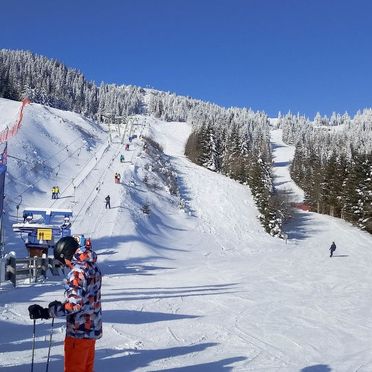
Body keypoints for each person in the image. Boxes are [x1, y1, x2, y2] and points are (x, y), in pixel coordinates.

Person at [28, 236, 102, 372]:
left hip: (78, 333)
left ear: (66, 254)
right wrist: (63, 304)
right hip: (91, 330)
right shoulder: (92, 267)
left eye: (63, 260)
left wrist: (48, 312)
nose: (66, 264)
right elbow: (85, 298)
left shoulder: (77, 272)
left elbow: (75, 305)